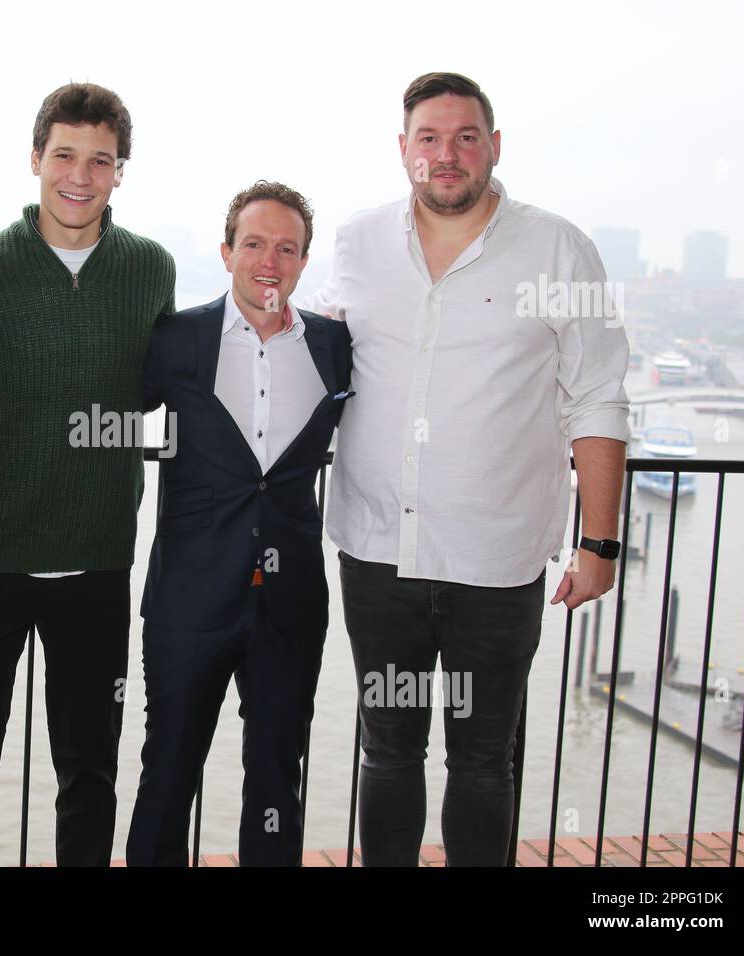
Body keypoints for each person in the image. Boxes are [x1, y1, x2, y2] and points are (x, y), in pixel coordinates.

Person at [300, 72, 630, 866]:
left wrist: (601, 544)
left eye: (465, 137)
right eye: (429, 138)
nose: (447, 155)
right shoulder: (357, 241)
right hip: (380, 552)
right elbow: (315, 358)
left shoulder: (559, 248)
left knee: (483, 759)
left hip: (498, 558)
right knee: (387, 749)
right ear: (404, 149)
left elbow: (597, 398)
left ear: (494, 146)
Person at [0, 82, 175, 866]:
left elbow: (176, 383)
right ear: (36, 159)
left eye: (100, 160)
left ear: (119, 172)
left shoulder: (150, 270)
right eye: (65, 154)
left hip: (96, 562)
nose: (81, 174)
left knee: (89, 772)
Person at [126, 182, 353, 866]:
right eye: (254, 243)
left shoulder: (336, 348)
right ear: (227, 252)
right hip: (189, 600)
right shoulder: (176, 340)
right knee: (168, 771)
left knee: (278, 778)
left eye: (287, 248)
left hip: (289, 605)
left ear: (304, 262)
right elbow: (96, 404)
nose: (269, 260)